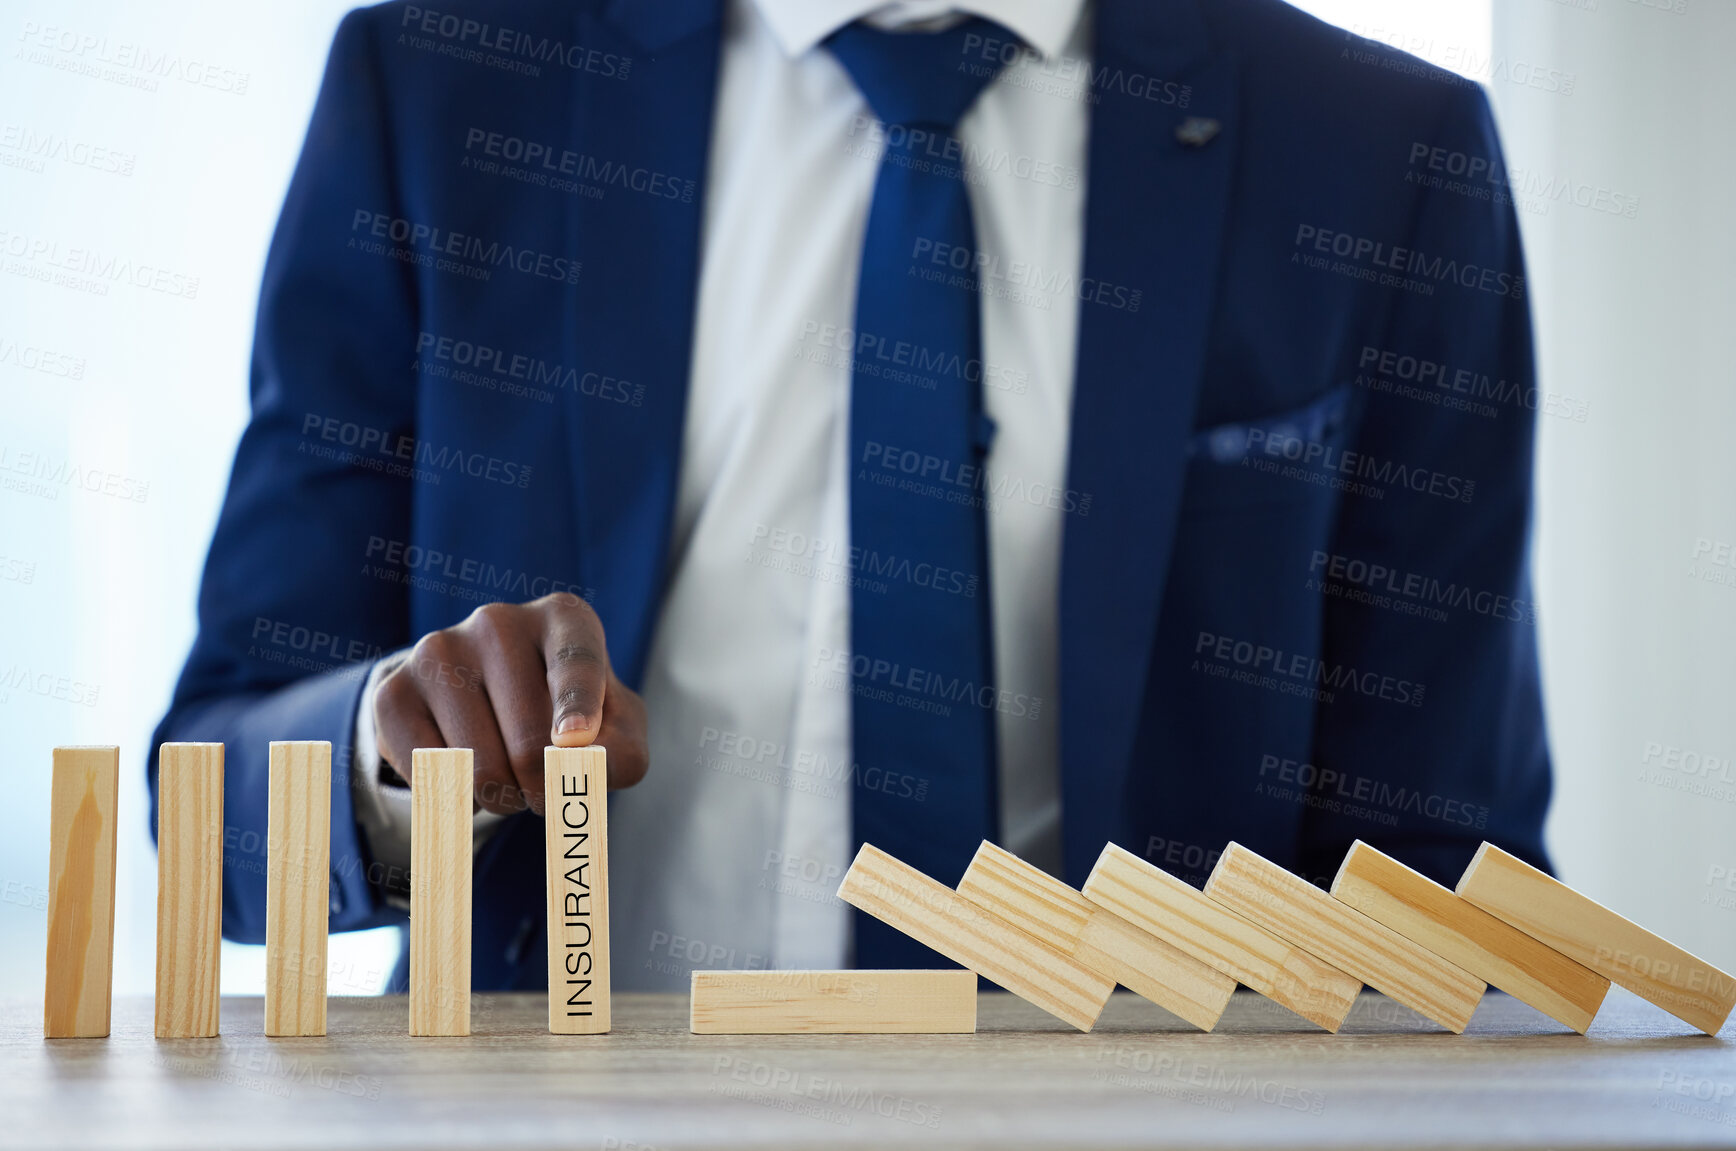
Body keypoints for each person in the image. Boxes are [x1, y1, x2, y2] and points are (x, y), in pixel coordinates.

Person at [153, 0, 1552, 991]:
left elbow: (1444, 871)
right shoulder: (444, 92)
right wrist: (395, 755)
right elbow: (202, 805)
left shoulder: (1381, 158)